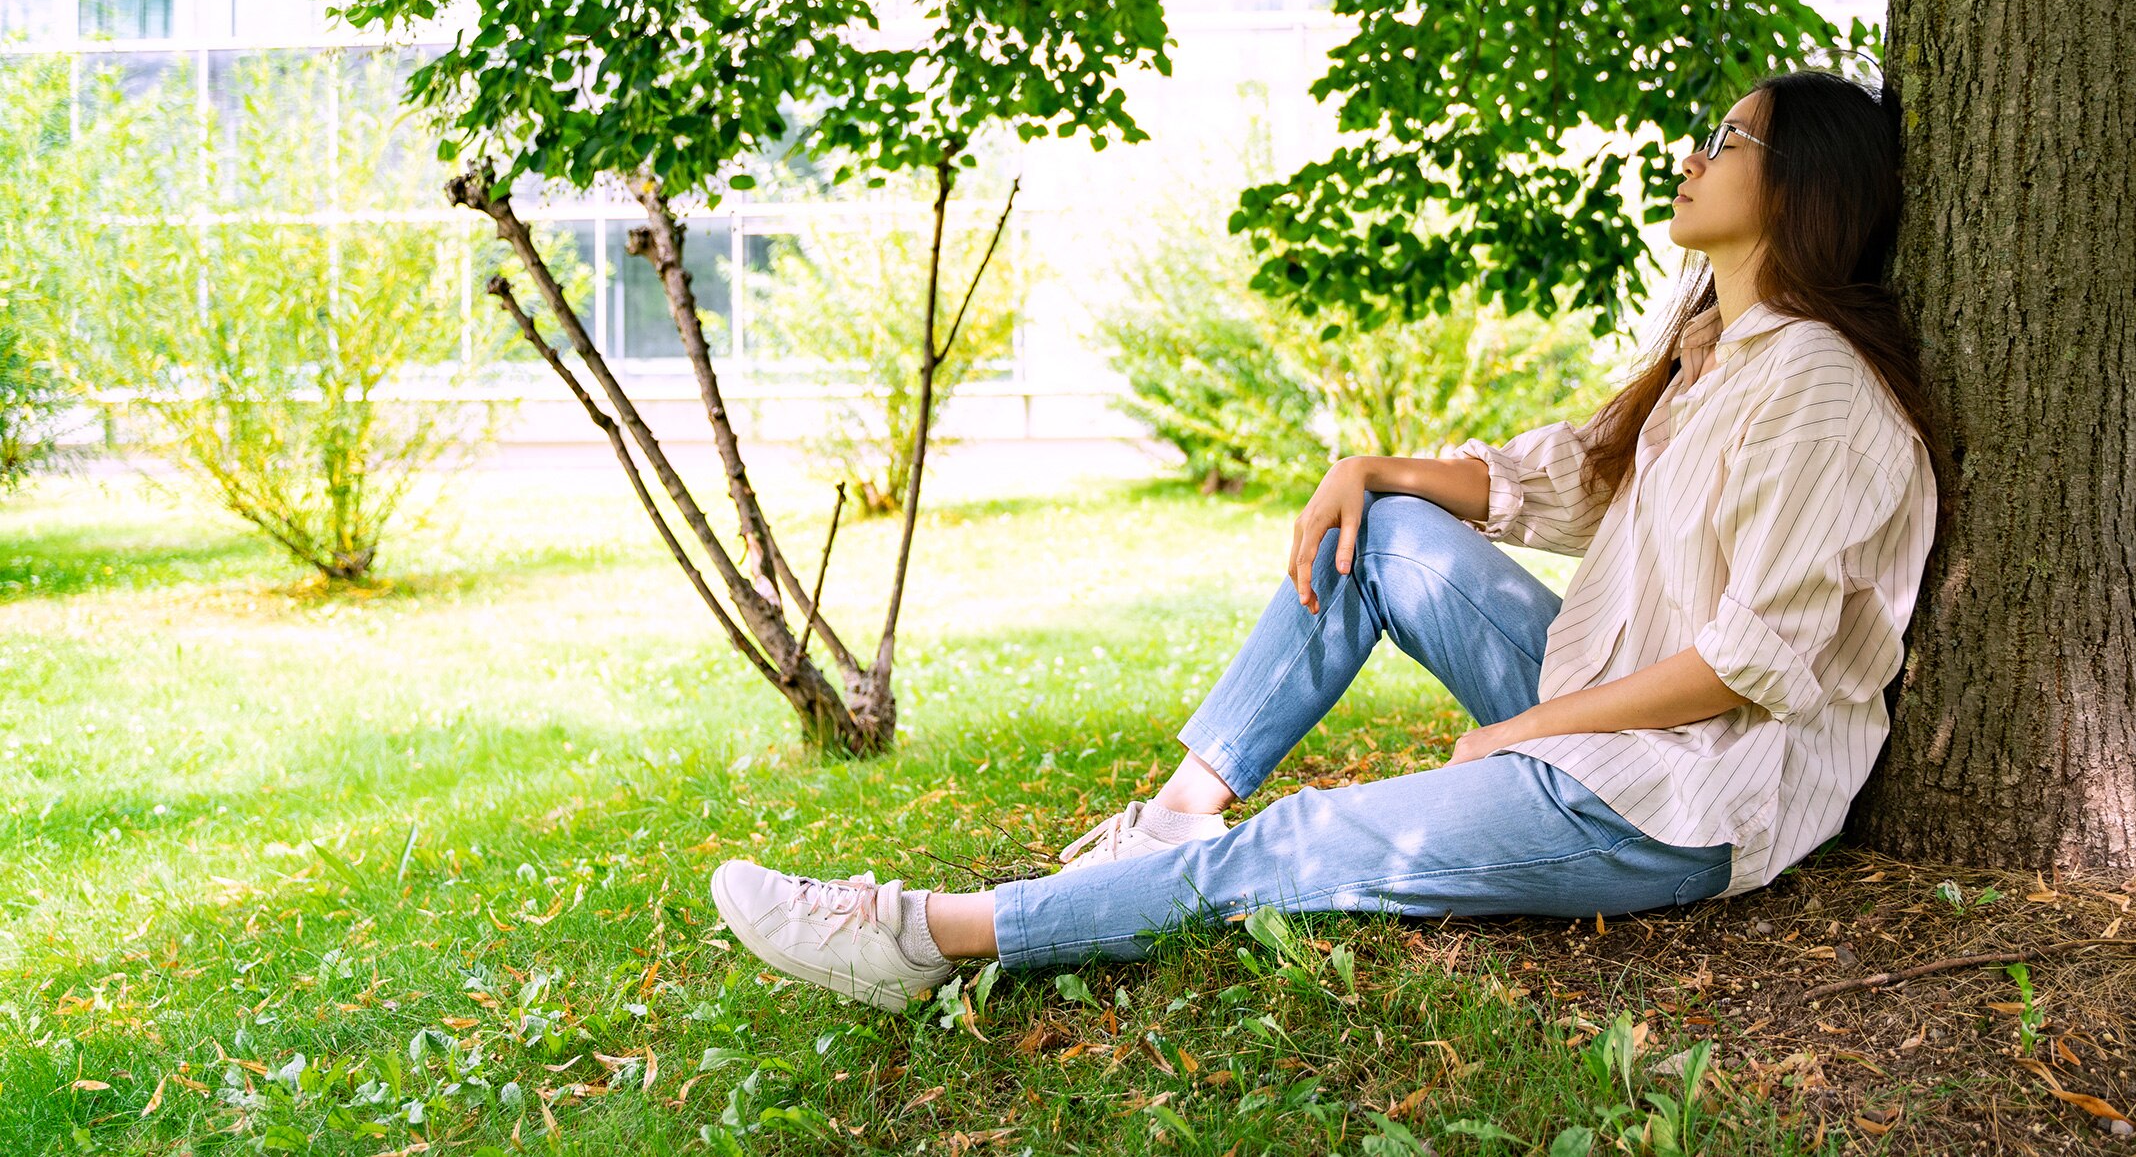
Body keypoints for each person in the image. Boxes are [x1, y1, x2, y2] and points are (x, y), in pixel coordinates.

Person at [709, 70, 1939, 1011]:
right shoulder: (1709, 356)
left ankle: (920, 935)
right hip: (1616, 711)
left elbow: (1749, 662)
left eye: (1725, 140)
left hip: (1683, 792)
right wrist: (1367, 467)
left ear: (1801, 186)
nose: (1689, 155)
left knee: (1305, 845)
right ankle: (1181, 808)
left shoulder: (1815, 385)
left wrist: (1521, 731)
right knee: (1385, 531)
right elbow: (1569, 478)